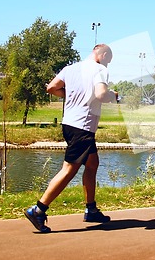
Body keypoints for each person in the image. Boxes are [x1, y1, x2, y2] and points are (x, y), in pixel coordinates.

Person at [24, 44, 118, 233]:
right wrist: (113, 96)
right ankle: (38, 209)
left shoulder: (70, 68)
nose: (108, 64)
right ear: (103, 55)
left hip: (69, 125)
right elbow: (100, 94)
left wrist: (74, 94)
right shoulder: (100, 69)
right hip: (82, 127)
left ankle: (91, 209)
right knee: (68, 170)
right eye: (108, 60)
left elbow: (51, 88)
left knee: (92, 165)